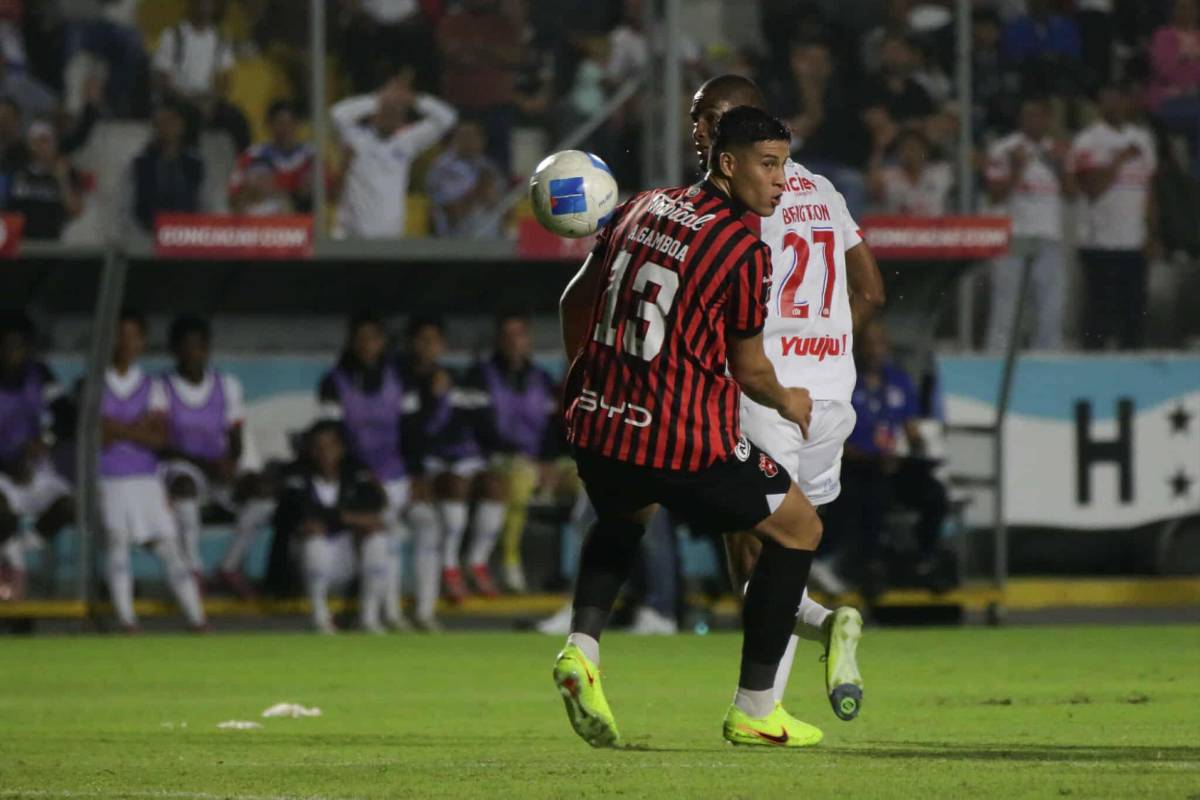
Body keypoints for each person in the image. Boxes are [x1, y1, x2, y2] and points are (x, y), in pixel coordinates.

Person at [553, 105, 824, 749]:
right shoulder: (742, 250)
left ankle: (581, 650)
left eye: (784, 164)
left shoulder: (643, 205)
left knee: (624, 514)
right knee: (798, 528)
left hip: (597, 422)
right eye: (768, 164)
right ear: (727, 164)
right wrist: (790, 401)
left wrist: (601, 384)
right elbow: (752, 370)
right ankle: (757, 709)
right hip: (680, 439)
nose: (782, 179)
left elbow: (575, 303)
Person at [690, 74, 883, 721]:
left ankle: (788, 674)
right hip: (833, 395)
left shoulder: (741, 200)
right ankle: (773, 695)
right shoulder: (824, 190)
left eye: (709, 118)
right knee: (788, 550)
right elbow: (872, 292)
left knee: (756, 566)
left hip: (768, 394)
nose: (700, 131)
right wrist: (826, 342)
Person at [98, 310, 207, 633]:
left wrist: (118, 429)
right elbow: (96, 435)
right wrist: (136, 429)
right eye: (120, 335)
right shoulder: (95, 382)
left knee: (168, 547)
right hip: (109, 477)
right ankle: (126, 620)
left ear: (142, 342)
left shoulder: (151, 386)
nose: (126, 343)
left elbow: (160, 438)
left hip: (146, 478)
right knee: (117, 543)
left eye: (133, 336)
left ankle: (197, 619)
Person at [826, 321, 949, 596]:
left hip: (892, 465)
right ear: (858, 348)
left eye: (880, 343)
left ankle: (925, 561)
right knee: (872, 494)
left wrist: (917, 448)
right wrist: (858, 454)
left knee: (934, 495)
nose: (875, 350)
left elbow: (911, 429)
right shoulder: (843, 383)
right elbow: (831, 435)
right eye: (869, 344)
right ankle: (870, 567)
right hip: (856, 466)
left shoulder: (899, 381)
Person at [158, 316, 275, 599]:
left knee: (263, 491)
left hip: (218, 467)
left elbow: (235, 433)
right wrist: (205, 465)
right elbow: (161, 444)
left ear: (207, 349)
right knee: (184, 485)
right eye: (184, 348)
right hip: (182, 466)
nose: (191, 354)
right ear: (174, 350)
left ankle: (229, 567)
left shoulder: (227, 385)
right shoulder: (160, 388)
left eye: (197, 347)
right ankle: (193, 570)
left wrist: (231, 463)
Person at [400, 316, 506, 614]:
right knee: (456, 485)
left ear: (443, 345)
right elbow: (410, 432)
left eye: (434, 340)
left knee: (496, 484)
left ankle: (476, 561)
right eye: (422, 340)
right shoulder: (404, 380)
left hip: (464, 458)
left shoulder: (457, 377)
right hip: (429, 462)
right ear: (411, 344)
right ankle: (449, 566)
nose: (428, 347)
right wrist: (433, 399)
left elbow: (482, 424)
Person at [317, 314, 414, 631]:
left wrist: (414, 474)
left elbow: (412, 430)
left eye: (372, 337)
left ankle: (389, 613)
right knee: (376, 538)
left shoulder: (399, 376)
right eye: (359, 337)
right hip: (356, 476)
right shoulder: (335, 380)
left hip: (395, 472)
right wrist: (360, 475)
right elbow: (331, 433)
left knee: (390, 540)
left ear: (382, 342)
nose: (366, 344)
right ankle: (373, 614)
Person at [465, 312, 572, 594]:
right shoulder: (480, 376)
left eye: (520, 335)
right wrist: (528, 460)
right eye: (508, 335)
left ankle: (584, 570)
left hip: (538, 459)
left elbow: (553, 427)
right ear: (499, 340)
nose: (514, 342)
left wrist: (548, 462)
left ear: (528, 340)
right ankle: (509, 562)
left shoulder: (541, 378)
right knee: (522, 477)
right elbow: (480, 427)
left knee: (588, 481)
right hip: (496, 458)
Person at [274, 420, 394, 634]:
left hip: (347, 556)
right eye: (318, 447)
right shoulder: (297, 474)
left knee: (377, 540)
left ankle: (369, 618)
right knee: (314, 543)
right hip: (310, 564)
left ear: (341, 448)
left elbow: (375, 509)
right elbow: (299, 515)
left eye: (330, 446)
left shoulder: (356, 472)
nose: (324, 453)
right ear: (309, 450)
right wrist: (351, 519)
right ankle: (320, 619)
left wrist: (338, 519)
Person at [1069, 82, 1158, 350]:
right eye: (1108, 100)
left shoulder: (1142, 138)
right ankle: (1093, 367)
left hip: (1134, 241)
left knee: (1134, 311)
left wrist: (1153, 234)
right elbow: (1092, 190)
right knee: (1098, 313)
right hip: (1099, 241)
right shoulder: (1087, 140)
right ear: (1099, 105)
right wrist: (1118, 160)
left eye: (1119, 100)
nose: (1114, 106)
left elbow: (1149, 190)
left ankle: (1132, 364)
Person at [984, 97, 1072, 352]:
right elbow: (994, 195)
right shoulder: (1004, 149)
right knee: (1006, 305)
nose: (1033, 121)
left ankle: (1048, 358)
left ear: (1048, 119)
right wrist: (1017, 168)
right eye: (1028, 115)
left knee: (1050, 306)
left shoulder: (1057, 150)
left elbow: (1072, 193)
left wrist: (1060, 166)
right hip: (1014, 235)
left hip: (1049, 235)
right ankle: (996, 358)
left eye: (1039, 116)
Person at [0, 314, 74, 601]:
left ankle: (19, 546)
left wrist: (46, 440)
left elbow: (66, 417)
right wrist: (8, 465)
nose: (11, 354)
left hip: (35, 470)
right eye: (5, 347)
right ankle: (15, 575)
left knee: (69, 507)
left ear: (28, 349)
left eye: (18, 347)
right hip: (4, 472)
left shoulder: (40, 374)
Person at [331, 74, 458, 239]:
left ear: (403, 120)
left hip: (390, 236)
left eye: (397, 112)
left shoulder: (408, 141)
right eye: (386, 111)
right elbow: (337, 114)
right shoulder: (356, 137)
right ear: (374, 114)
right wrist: (379, 98)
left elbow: (448, 118)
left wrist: (413, 99)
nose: (391, 116)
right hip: (352, 235)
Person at [151, 0, 251, 152]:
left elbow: (225, 80)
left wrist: (212, 102)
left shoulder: (221, 37)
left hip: (207, 99)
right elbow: (163, 80)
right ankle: (192, 166)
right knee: (191, 117)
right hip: (179, 99)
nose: (205, 5)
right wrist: (191, 101)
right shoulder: (173, 35)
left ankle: (244, 167)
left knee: (238, 118)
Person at [436, 0, 521, 175]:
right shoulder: (452, 22)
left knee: (498, 164)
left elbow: (514, 56)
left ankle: (500, 201)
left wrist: (478, 49)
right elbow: (451, 54)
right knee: (455, 162)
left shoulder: (504, 24)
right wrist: (490, 52)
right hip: (460, 101)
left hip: (496, 103)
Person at [127, 101, 205, 233]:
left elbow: (205, 204)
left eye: (170, 121)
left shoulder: (196, 165)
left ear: (182, 126)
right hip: (148, 235)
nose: (165, 127)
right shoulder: (140, 164)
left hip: (187, 236)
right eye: (160, 123)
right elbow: (127, 207)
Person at [228, 100, 315, 215]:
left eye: (290, 123)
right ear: (269, 124)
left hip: (303, 224)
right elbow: (233, 198)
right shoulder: (253, 155)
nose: (285, 129)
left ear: (297, 125)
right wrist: (253, 192)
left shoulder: (311, 156)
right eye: (280, 123)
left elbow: (332, 193)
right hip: (264, 224)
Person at [1, 121, 83, 240]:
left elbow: (75, 210)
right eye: (37, 141)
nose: (42, 146)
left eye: (46, 140)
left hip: (50, 243)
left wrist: (62, 180)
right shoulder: (16, 172)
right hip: (19, 242)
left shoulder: (66, 173)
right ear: (29, 144)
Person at [1148, 0, 1200, 179]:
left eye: (1191, 8)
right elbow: (1166, 71)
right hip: (1168, 103)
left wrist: (1185, 62)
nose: (1186, 12)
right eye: (1182, 8)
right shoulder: (1163, 36)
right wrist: (1190, 61)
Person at [425, 120, 504, 238]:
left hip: (489, 243)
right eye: (464, 136)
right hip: (455, 242)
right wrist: (479, 189)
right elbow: (452, 212)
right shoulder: (442, 168)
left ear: (482, 141)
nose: (468, 141)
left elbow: (502, 210)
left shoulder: (489, 167)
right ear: (454, 139)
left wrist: (492, 198)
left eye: (473, 137)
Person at [867, 128, 953, 216]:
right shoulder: (889, 176)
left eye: (913, 148)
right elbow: (873, 187)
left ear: (925, 151)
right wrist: (879, 148)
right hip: (899, 228)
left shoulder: (940, 172)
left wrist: (935, 140)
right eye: (904, 149)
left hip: (934, 228)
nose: (909, 153)